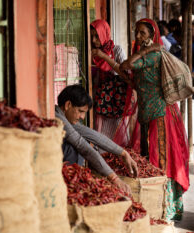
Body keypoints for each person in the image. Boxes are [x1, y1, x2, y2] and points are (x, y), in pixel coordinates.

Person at [119, 18, 190, 221]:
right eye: (136, 32)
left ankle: (164, 207)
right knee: (152, 159)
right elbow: (128, 73)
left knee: (160, 160)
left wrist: (141, 51)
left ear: (151, 35)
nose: (138, 36)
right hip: (148, 114)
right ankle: (155, 205)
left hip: (161, 115)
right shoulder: (150, 53)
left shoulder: (153, 56)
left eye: (142, 33)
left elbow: (128, 64)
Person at [55, 84, 138, 194]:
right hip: (54, 171)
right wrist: (115, 179)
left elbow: (94, 135)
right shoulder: (57, 118)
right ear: (68, 105)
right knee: (74, 147)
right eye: (80, 111)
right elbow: (82, 145)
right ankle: (67, 187)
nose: (82, 117)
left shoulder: (66, 118)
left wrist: (123, 153)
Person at [90, 19, 138, 150]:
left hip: (117, 99)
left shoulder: (116, 50)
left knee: (118, 133)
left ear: (104, 34)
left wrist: (105, 57)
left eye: (97, 36)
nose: (94, 40)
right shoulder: (92, 53)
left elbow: (125, 73)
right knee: (101, 131)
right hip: (101, 100)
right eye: (92, 36)